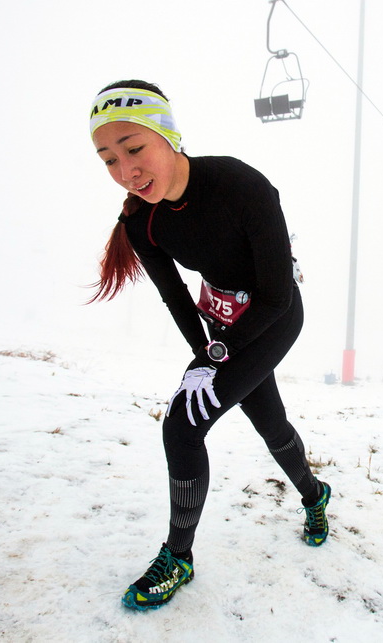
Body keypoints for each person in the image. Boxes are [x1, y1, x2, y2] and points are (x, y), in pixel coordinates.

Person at [87, 80, 331, 610]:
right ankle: (315, 497)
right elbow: (176, 297)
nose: (124, 171)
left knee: (183, 422)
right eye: (107, 159)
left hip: (274, 313)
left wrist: (215, 358)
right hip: (221, 320)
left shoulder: (244, 188)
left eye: (133, 148)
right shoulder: (140, 220)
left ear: (168, 135)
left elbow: (275, 297)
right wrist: (204, 353)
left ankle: (179, 556)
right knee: (270, 422)